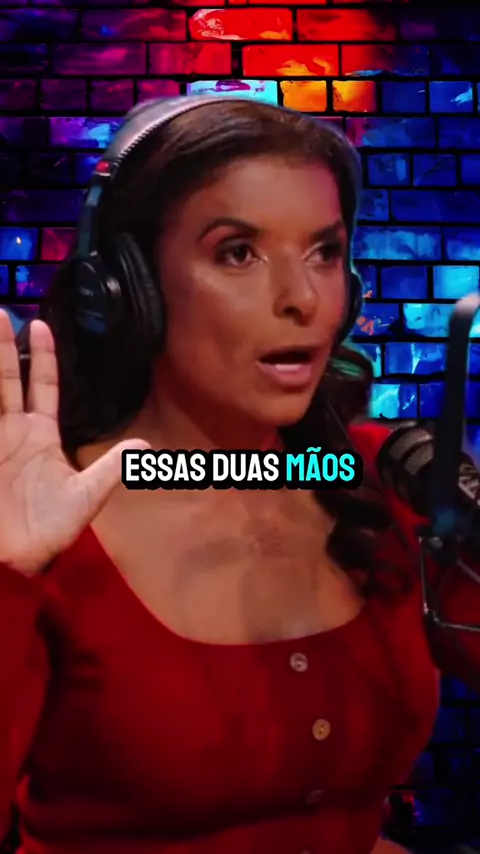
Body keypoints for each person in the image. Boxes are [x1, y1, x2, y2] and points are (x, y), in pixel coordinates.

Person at [0, 96, 479, 854]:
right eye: (238, 253)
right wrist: (8, 581)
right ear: (127, 288)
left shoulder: (379, 474)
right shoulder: (39, 520)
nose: (303, 299)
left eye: (324, 252)